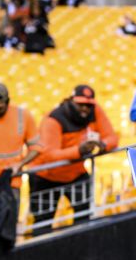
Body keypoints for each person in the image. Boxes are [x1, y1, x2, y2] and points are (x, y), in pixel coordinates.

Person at [30, 85, 119, 234]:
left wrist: (102, 145)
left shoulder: (95, 110)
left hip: (75, 173)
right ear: (71, 101)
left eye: (88, 105)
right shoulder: (53, 119)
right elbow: (50, 156)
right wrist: (79, 150)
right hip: (45, 176)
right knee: (42, 224)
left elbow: (112, 137)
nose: (85, 108)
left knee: (84, 218)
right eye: (80, 104)